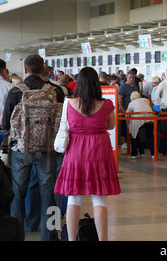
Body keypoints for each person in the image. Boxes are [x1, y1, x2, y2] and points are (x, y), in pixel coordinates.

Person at [1, 54, 64, 241]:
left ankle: (15, 235)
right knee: (50, 195)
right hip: (49, 151)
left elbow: (6, 125)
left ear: (26, 70)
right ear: (43, 69)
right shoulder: (56, 91)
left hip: (21, 151)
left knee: (18, 194)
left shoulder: (15, 92)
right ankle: (50, 236)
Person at [54, 67, 121, 241]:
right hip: (99, 152)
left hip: (75, 152)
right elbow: (111, 125)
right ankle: (103, 239)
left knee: (73, 199)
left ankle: (71, 239)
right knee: (100, 200)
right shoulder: (106, 104)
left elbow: (65, 126)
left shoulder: (69, 103)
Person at [126, 91, 155, 159]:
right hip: (150, 118)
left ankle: (134, 154)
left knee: (134, 135)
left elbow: (127, 115)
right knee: (150, 136)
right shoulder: (146, 100)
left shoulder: (131, 103)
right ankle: (153, 154)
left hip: (138, 119)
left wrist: (128, 124)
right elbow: (153, 109)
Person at [118, 70, 140, 149]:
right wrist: (123, 109)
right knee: (124, 126)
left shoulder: (135, 86)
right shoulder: (123, 86)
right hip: (126, 110)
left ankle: (132, 143)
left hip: (134, 111)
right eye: (130, 78)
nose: (131, 79)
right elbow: (120, 98)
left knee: (132, 127)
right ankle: (124, 143)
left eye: (133, 78)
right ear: (126, 78)